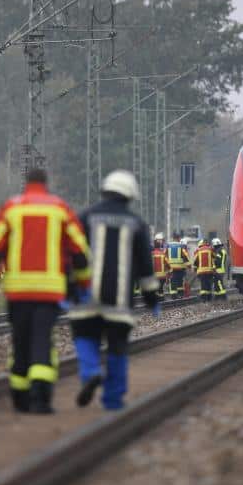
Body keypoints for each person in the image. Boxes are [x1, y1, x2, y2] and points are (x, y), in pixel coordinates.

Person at [0, 168, 91, 414]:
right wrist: (83, 285)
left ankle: (19, 397)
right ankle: (41, 398)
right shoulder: (60, 209)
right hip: (49, 292)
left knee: (20, 341)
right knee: (42, 339)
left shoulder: (11, 209)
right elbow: (80, 251)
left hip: (18, 291)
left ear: (27, 183)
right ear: (45, 183)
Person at [69, 170, 159, 410]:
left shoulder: (84, 218)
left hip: (85, 299)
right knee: (117, 349)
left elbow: (69, 255)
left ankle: (90, 372)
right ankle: (113, 400)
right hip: (119, 304)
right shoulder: (137, 225)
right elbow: (145, 268)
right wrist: (152, 299)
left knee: (85, 337)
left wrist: (68, 290)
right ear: (129, 195)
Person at [165, 233, 190, 299]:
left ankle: (173, 295)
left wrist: (166, 266)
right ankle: (180, 294)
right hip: (180, 267)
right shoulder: (181, 246)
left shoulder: (168, 245)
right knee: (180, 281)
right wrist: (189, 265)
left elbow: (164, 255)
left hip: (171, 268)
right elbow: (185, 256)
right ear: (178, 238)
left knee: (173, 281)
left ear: (173, 238)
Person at [151, 232, 169, 297]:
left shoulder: (152, 253)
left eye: (162, 240)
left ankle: (158, 297)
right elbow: (167, 263)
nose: (161, 241)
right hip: (162, 275)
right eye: (159, 240)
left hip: (154, 275)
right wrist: (169, 270)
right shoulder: (162, 253)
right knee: (160, 288)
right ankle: (161, 297)